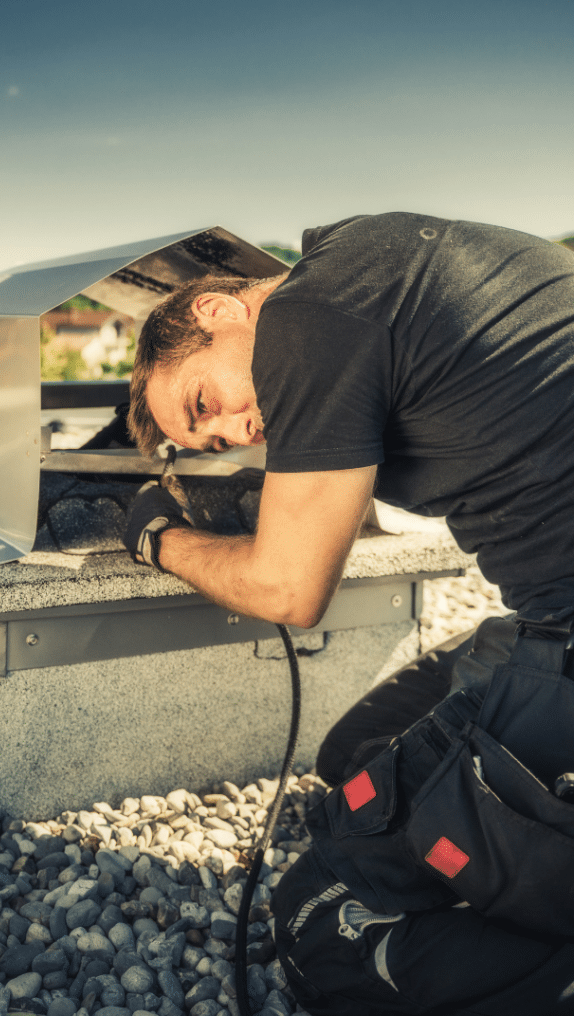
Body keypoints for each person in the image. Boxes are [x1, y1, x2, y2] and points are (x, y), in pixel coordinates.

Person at [121, 212, 574, 1015]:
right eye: (212, 439)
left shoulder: (305, 315)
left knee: (320, 919)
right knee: (356, 755)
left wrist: (156, 537)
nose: (236, 432)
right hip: (544, 619)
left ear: (218, 311)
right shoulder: (378, 259)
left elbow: (288, 591)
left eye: (204, 403)